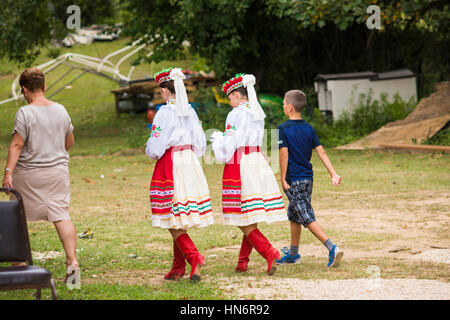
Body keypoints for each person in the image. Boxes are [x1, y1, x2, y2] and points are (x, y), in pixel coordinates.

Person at [1, 67, 79, 280]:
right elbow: (69, 142)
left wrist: (8, 173)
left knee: (17, 216)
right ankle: (72, 261)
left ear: (24, 90)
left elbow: (17, 145)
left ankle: (18, 264)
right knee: (61, 215)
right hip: (57, 173)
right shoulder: (61, 109)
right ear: (44, 87)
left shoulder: (25, 112)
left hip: (28, 174)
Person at [211, 73, 286, 275]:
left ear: (236, 94)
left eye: (229, 97)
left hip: (240, 162)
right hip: (256, 160)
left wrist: (217, 139)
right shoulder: (256, 111)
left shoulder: (235, 114)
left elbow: (229, 143)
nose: (229, 102)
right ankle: (242, 261)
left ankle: (269, 251)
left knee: (239, 215)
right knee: (249, 213)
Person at [146, 67, 214, 282]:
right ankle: (178, 267)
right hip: (189, 160)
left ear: (166, 91)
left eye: (161, 91)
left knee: (171, 215)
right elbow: (200, 141)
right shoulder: (191, 111)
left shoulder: (164, 113)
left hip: (171, 162)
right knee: (179, 215)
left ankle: (194, 256)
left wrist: (151, 152)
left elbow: (156, 144)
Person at [276, 89, 343, 267]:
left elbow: (284, 154)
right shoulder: (308, 128)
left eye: (283, 104)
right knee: (294, 215)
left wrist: (283, 179)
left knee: (305, 216)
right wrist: (333, 173)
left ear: (289, 107)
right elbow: (321, 151)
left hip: (294, 180)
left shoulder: (282, 129)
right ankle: (293, 254)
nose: (283, 106)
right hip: (308, 179)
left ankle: (332, 248)